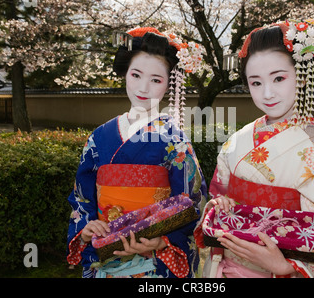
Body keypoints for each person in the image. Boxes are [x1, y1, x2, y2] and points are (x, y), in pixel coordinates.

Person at [195, 19, 314, 278]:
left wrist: (287, 266)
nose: (267, 93)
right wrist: (220, 205)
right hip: (226, 268)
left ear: (302, 74)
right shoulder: (239, 139)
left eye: (278, 78)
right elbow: (218, 193)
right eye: (255, 83)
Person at [67, 27, 208, 278]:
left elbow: (192, 201)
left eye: (156, 79)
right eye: (136, 75)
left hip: (153, 257)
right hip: (106, 249)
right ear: (125, 74)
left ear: (169, 83)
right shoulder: (100, 137)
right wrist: (86, 228)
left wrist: (163, 240)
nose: (144, 88)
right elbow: (82, 197)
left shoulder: (174, 140)